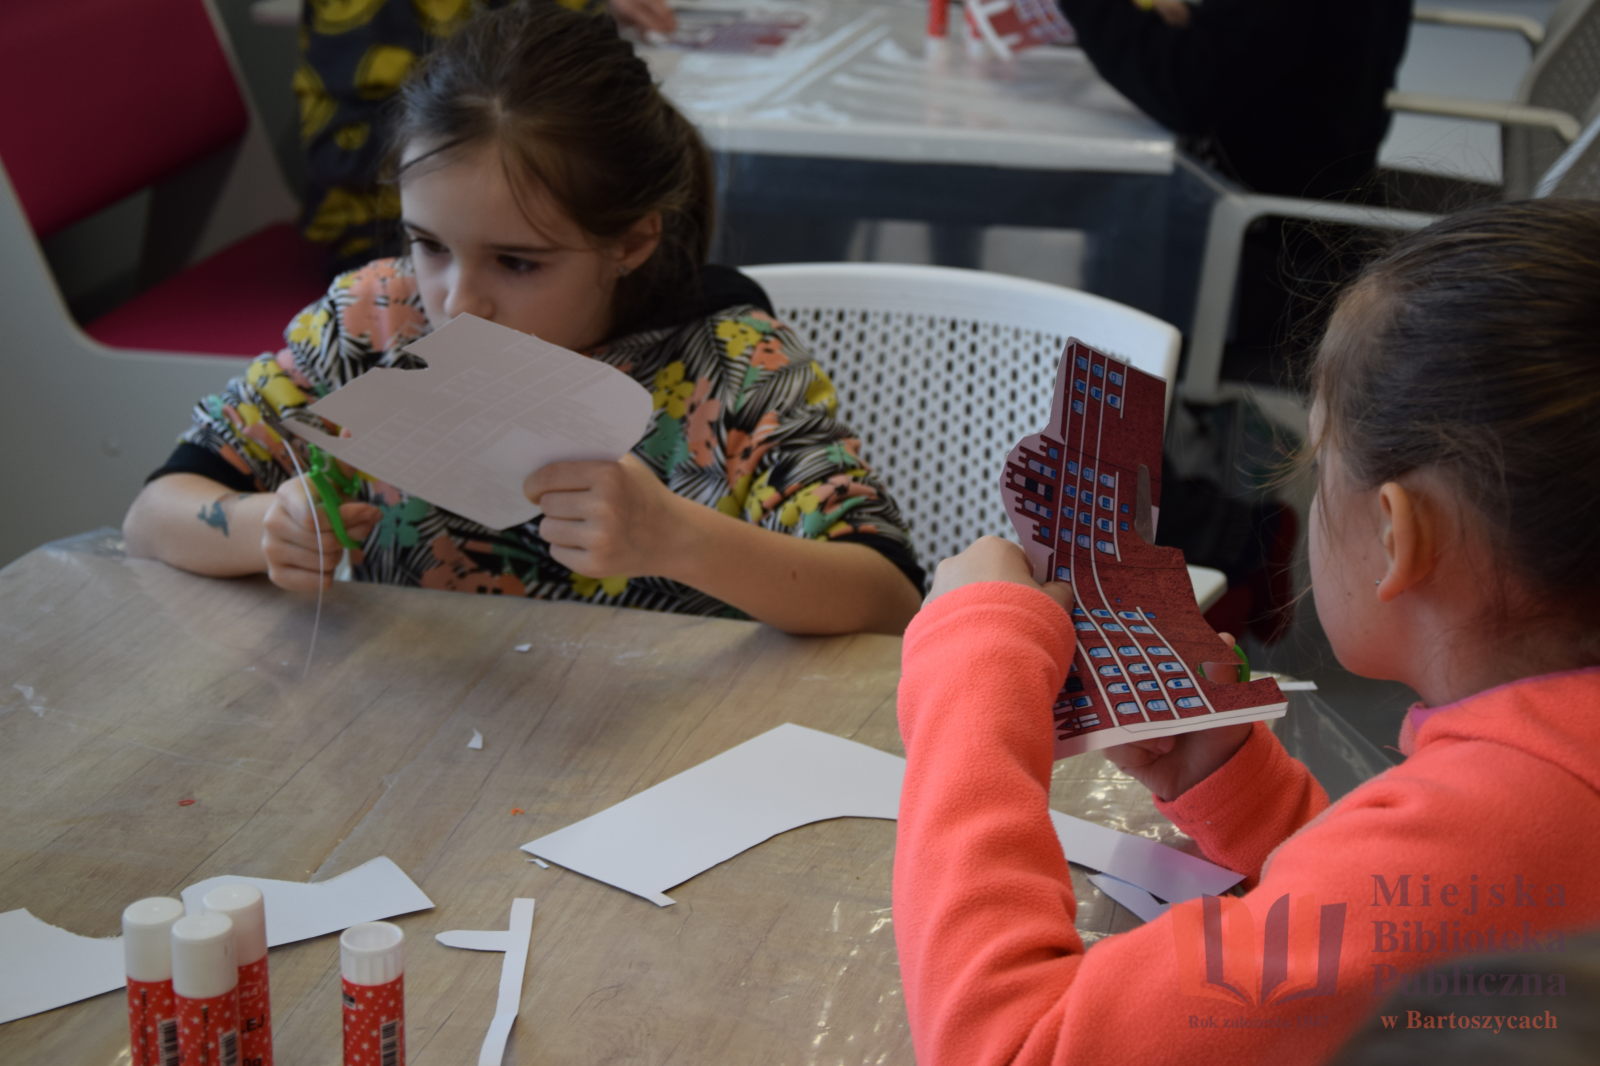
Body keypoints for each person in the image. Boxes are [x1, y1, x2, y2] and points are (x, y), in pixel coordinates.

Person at [892, 199, 1600, 1062]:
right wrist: (1246, 797)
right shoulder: (1547, 796)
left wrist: (973, 660)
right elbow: (1395, 938)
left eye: (1317, 461)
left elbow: (1009, 1048)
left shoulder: (1490, 839)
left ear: (1397, 534)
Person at [123, 2, 924, 637]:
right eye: (429, 245)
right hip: (417, 742)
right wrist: (263, 525)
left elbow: (888, 598)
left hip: (669, 756)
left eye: (517, 262)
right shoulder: (374, 324)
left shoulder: (731, 365)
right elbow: (153, 516)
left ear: (632, 241)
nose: (458, 300)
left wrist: (677, 537)